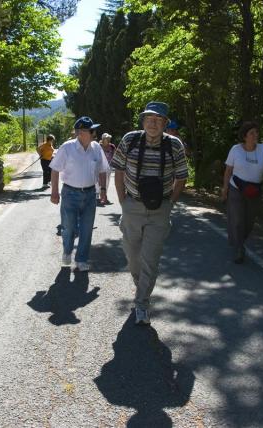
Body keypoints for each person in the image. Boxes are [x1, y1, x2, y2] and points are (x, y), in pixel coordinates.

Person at [111, 102, 188, 325]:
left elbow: (182, 176)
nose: (153, 123)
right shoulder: (130, 140)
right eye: (149, 119)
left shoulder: (174, 145)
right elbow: (119, 170)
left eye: (158, 120)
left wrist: (170, 203)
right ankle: (142, 286)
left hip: (160, 210)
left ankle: (142, 304)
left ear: (165, 123)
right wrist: (123, 201)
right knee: (133, 258)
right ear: (143, 121)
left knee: (150, 260)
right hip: (132, 206)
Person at [49, 116, 110, 271]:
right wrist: (54, 192)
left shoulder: (96, 148)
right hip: (70, 194)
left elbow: (102, 170)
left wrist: (103, 190)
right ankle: (67, 251)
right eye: (91, 130)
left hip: (90, 194)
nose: (94, 133)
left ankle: (81, 259)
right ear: (81, 132)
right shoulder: (67, 147)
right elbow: (55, 169)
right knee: (68, 228)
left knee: (87, 229)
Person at [221, 121, 263, 264]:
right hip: (236, 188)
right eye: (252, 133)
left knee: (249, 222)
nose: (255, 135)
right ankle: (239, 248)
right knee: (237, 219)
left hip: (254, 190)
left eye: (256, 132)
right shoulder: (236, 149)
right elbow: (228, 171)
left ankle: (238, 241)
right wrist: (225, 189)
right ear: (245, 136)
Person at [96, 132, 116, 204]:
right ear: (103, 139)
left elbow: (115, 155)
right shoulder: (98, 146)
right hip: (99, 167)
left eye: (109, 138)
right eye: (107, 138)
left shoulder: (112, 146)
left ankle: (104, 196)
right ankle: (97, 196)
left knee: (107, 182)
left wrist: (115, 164)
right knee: (98, 182)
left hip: (109, 167)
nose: (108, 139)